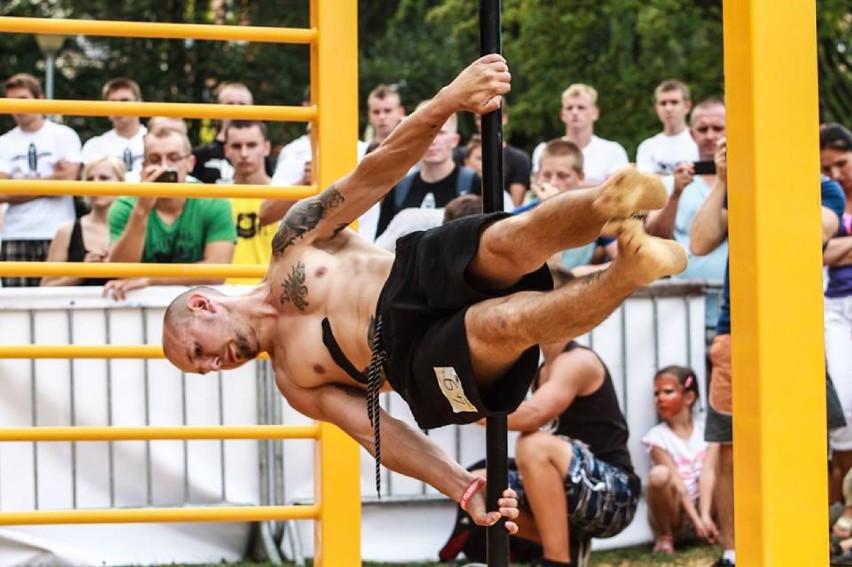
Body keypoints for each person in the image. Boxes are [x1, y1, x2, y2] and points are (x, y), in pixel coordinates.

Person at [160, 55, 688, 527]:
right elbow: (380, 434)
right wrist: (461, 485)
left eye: (199, 352)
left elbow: (375, 173)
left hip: (407, 276)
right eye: (202, 367)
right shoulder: (294, 379)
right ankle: (628, 272)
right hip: (410, 360)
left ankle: (610, 202)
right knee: (506, 324)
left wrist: (447, 100)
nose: (212, 365)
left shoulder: (291, 240)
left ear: (204, 304)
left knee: (508, 241)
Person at [690, 136, 846, 567]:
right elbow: (700, 243)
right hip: (735, 330)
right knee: (731, 448)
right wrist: (723, 182)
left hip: (796, 333)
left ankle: (811, 539)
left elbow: (814, 233)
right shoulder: (736, 186)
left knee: (812, 442)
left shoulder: (821, 187)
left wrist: (771, 188)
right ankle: (734, 552)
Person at [497, 265, 640, 567]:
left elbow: (533, 415)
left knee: (532, 445)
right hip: (577, 488)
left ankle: (557, 560)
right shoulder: (541, 372)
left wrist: (466, 407)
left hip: (616, 493)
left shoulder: (577, 361)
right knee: (485, 484)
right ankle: (567, 547)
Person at [104, 127, 237, 300]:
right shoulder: (126, 205)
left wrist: (151, 279)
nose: (164, 167)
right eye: (155, 159)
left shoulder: (214, 202)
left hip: (198, 307)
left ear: (190, 163)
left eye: (173, 158)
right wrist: (141, 211)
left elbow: (217, 271)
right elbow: (120, 271)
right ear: (143, 166)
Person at [645, 97, 729, 329]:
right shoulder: (677, 180)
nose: (710, 135)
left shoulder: (747, 179)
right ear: (692, 134)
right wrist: (675, 194)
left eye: (718, 128)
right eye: (703, 129)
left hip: (734, 303)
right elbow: (654, 236)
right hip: (685, 305)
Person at [0, 72, 82, 287]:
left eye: (22, 99)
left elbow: (69, 183)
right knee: (15, 306)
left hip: (58, 231)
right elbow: (2, 192)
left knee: (57, 304)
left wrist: (20, 185)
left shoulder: (64, 135)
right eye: (9, 101)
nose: (16, 107)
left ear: (40, 98)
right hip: (15, 233)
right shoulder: (4, 142)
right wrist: (54, 179)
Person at [375, 103, 481, 237]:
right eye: (425, 131)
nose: (433, 140)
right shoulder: (399, 189)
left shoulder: (475, 185)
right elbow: (380, 246)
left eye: (440, 132)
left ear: (454, 140)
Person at [642, 365, 716, 554]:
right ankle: (665, 536)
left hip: (706, 507)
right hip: (677, 513)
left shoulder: (708, 429)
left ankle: (720, 527)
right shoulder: (656, 437)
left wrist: (705, 516)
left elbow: (709, 472)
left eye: (667, 392)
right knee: (659, 475)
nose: (659, 398)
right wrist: (696, 521)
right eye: (656, 393)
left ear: (689, 398)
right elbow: (677, 482)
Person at [516, 139, 615, 271]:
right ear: (537, 176)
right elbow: (550, 273)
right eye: (547, 175)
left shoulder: (595, 216)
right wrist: (552, 211)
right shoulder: (516, 217)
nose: (554, 182)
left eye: (562, 176)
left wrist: (584, 273)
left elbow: (625, 262)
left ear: (580, 177)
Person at [820, 123, 852, 527]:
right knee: (843, 407)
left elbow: (830, 250)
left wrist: (836, 249)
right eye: (827, 168)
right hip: (832, 308)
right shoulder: (824, 198)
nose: (837, 174)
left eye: (842, 164)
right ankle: (842, 511)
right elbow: (819, 253)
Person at [41, 157, 123, 287]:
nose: (95, 184)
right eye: (89, 179)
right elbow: (46, 286)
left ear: (122, 183)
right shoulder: (67, 232)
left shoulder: (136, 228)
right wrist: (81, 272)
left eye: (104, 178)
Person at [223, 120, 286, 285]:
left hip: (272, 294)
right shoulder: (216, 196)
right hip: (226, 294)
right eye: (236, 146)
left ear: (266, 148)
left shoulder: (287, 195)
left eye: (251, 145)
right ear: (226, 150)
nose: (244, 153)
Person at [531, 83, 629, 186]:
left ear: (595, 113)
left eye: (581, 107)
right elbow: (538, 186)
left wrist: (567, 187)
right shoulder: (545, 149)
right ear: (563, 115)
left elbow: (618, 190)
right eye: (569, 108)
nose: (574, 112)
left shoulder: (613, 151)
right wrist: (597, 185)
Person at [191, 82, 274, 184]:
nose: (236, 109)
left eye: (242, 104)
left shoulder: (260, 153)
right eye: (229, 104)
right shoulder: (201, 155)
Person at [80, 78, 147, 176]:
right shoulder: (94, 145)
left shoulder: (157, 141)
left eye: (125, 101)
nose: (118, 106)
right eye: (113, 102)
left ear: (139, 103)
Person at [472, 103, 533, 207]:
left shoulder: (519, 159)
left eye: (490, 116)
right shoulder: (462, 155)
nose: (483, 122)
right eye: (479, 118)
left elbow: (515, 207)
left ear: (504, 118)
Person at [635, 80, 699, 178]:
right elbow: (646, 184)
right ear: (657, 108)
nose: (668, 108)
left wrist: (659, 176)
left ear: (687, 106)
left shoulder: (700, 141)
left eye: (674, 102)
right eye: (663, 103)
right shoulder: (647, 147)